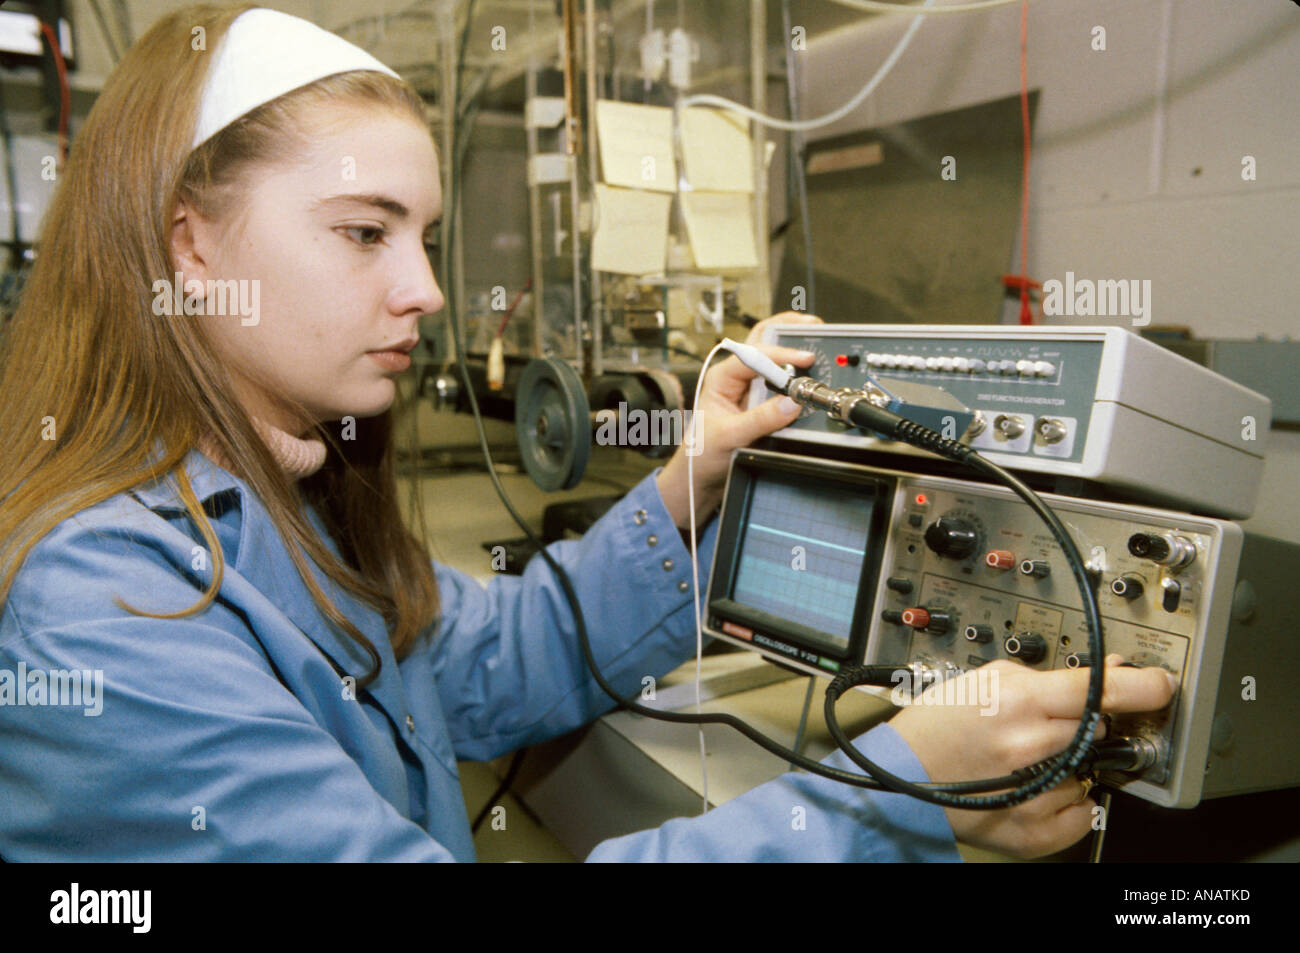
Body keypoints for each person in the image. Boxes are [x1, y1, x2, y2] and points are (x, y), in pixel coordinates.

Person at [0, 4, 1174, 862]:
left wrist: (692, 484)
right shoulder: (104, 605)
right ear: (189, 245)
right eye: (365, 232)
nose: (425, 290)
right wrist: (894, 793)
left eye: (424, 238)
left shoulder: (284, 500)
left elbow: (495, 660)